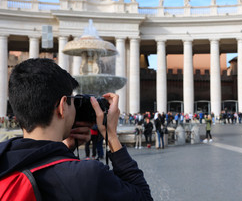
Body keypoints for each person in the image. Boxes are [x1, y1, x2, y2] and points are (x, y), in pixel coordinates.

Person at [0, 58, 153, 200]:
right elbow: (144, 196)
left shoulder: (4, 158)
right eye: (73, 101)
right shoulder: (87, 175)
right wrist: (111, 136)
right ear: (62, 107)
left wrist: (63, 150)